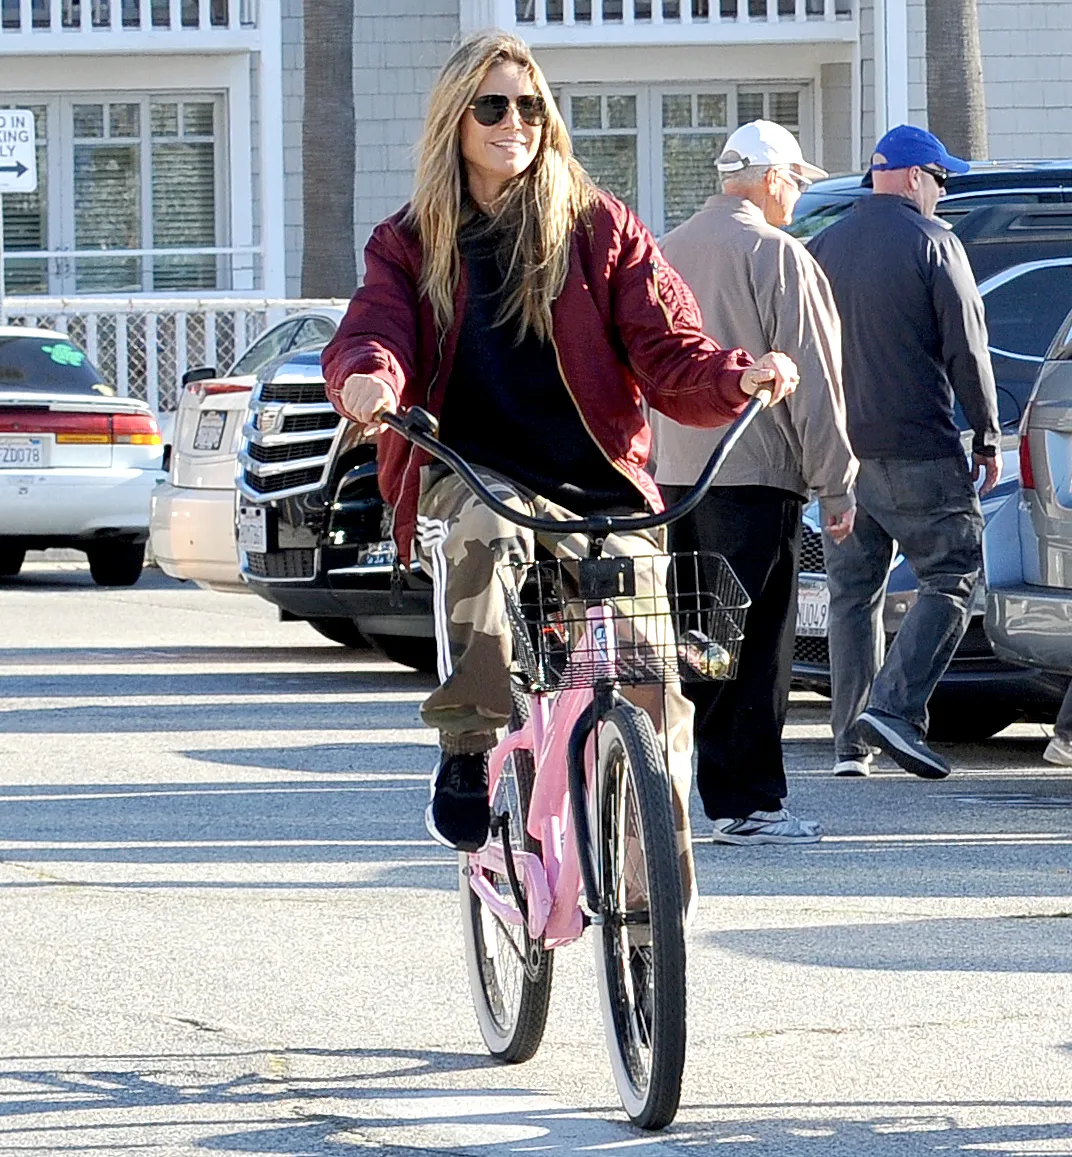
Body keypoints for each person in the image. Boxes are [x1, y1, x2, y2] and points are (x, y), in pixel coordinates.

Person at [320, 32, 799, 905]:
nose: (515, 122)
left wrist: (739, 375)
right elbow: (375, 329)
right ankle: (469, 745)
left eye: (531, 105)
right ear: (455, 120)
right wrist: (369, 378)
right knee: (486, 532)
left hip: (601, 487)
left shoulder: (599, 226)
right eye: (493, 106)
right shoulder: (410, 241)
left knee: (653, 684)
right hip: (474, 470)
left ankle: (651, 910)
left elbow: (670, 349)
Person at [651, 120, 857, 845]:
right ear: (770, 179)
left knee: (700, 640)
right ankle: (752, 804)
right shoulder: (777, 254)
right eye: (795, 181)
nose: (796, 195)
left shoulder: (664, 252)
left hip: (674, 480)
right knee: (759, 646)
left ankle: (696, 792)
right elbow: (814, 379)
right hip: (756, 476)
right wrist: (837, 482)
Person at [809, 124, 1001, 780]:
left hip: (842, 459)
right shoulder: (934, 242)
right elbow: (967, 347)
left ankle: (849, 744)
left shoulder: (822, 246)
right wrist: (987, 434)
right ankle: (894, 708)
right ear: (916, 177)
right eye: (940, 180)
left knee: (852, 594)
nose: (941, 194)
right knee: (954, 574)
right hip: (918, 450)